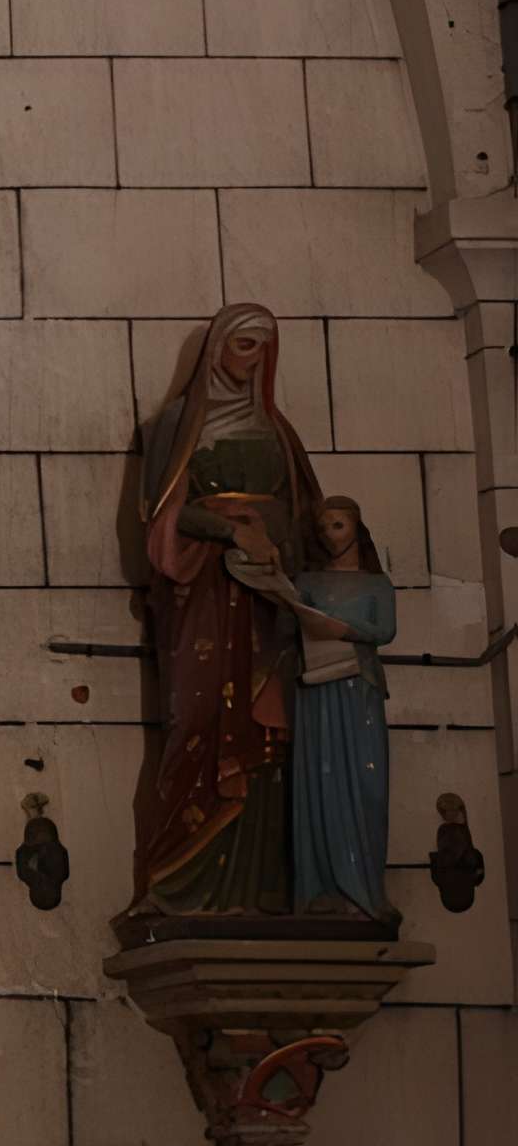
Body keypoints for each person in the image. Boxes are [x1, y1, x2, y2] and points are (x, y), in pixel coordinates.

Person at [125, 304, 320, 926]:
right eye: (242, 344)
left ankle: (262, 885)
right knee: (197, 718)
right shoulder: (179, 425)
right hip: (206, 592)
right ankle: (182, 877)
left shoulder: (278, 434)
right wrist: (229, 532)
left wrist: (278, 548)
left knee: (270, 731)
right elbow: (162, 515)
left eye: (262, 347)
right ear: (216, 349)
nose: (252, 358)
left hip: (268, 598)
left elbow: (311, 518)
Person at [285, 496, 396, 924]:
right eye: (324, 527)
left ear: (356, 527)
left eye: (338, 525)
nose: (331, 534)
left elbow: (385, 629)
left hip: (359, 687)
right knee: (319, 779)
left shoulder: (376, 584)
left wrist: (344, 628)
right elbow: (292, 622)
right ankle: (322, 890)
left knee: (367, 784)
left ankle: (364, 890)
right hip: (317, 688)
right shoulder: (308, 581)